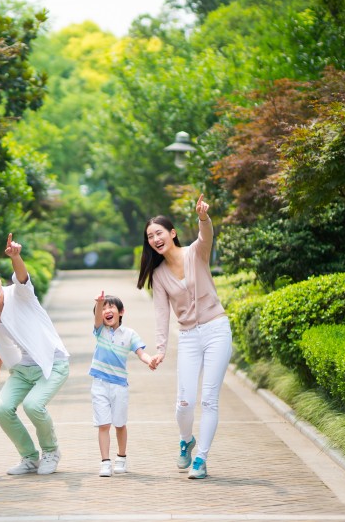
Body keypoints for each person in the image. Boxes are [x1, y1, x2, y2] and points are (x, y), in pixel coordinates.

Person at [137, 194, 232, 480]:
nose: (155, 239)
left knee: (209, 400)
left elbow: (206, 236)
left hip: (217, 329)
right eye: (150, 236)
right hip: (189, 336)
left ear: (172, 233)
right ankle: (186, 439)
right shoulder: (158, 275)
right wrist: (161, 350)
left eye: (159, 233)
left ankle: (201, 458)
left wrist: (203, 217)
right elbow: (162, 315)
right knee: (185, 402)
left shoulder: (195, 253)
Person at [0, 233, 70, 476]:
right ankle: (29, 457)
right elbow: (3, 342)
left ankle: (51, 451)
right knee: (2, 410)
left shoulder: (20, 293)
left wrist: (16, 256)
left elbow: (22, 277)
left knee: (33, 405)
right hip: (23, 369)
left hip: (52, 362)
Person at [90, 291, 152, 477]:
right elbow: (98, 316)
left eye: (111, 307)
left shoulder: (130, 334)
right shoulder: (99, 331)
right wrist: (99, 303)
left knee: (119, 424)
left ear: (121, 311)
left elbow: (141, 353)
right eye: (103, 308)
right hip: (99, 384)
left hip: (120, 386)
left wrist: (151, 361)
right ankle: (105, 462)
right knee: (103, 424)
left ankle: (121, 458)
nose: (107, 311)